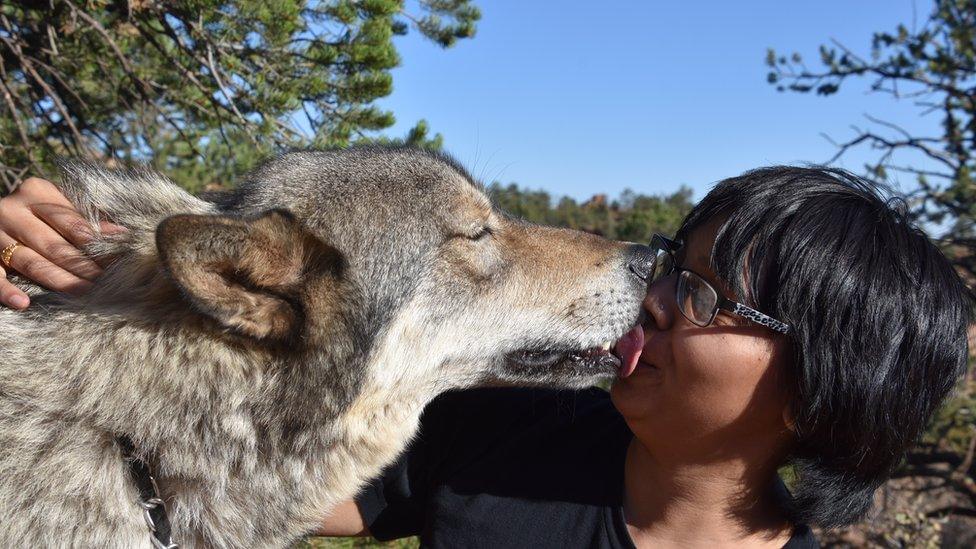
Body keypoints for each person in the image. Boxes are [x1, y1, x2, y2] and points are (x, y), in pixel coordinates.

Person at [0, 166, 970, 548]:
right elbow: (208, 478)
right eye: (676, 263)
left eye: (710, 297)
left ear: (822, 396)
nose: (655, 294)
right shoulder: (502, 433)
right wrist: (80, 276)